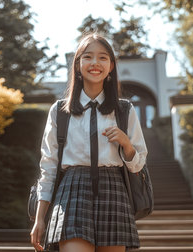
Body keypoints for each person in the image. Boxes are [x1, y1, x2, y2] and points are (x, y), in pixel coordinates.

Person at [30, 33, 147, 252]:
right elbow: (48, 166)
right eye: (88, 57)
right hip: (72, 190)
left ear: (111, 66)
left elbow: (138, 164)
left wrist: (127, 144)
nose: (95, 63)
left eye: (103, 58)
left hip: (113, 189)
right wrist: (39, 218)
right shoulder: (60, 111)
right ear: (78, 64)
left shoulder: (124, 110)